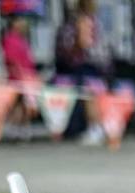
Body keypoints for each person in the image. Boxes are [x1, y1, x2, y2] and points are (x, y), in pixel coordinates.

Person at [56, 0, 110, 145]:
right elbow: (66, 53)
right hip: (73, 69)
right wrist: (79, 40)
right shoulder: (71, 25)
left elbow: (102, 54)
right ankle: (92, 127)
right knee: (86, 86)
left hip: (94, 69)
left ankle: (96, 127)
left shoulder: (95, 24)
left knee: (89, 86)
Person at [2, 14, 39, 141]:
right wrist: (20, 74)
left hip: (28, 76)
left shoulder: (22, 39)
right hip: (18, 77)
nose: (24, 25)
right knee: (19, 103)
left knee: (24, 104)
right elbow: (11, 60)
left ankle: (21, 128)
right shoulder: (10, 39)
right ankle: (14, 128)